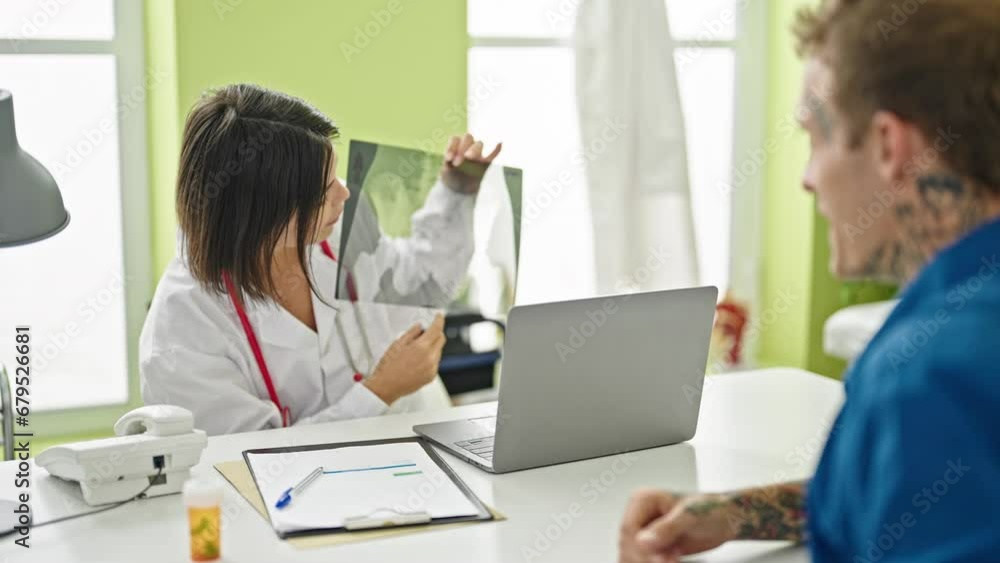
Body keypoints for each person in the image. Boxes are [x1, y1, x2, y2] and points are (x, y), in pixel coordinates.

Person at [618, 0, 1000, 561]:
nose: (807, 178)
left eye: (815, 138)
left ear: (888, 145)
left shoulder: (927, 378)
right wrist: (736, 512)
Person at [139, 84, 501, 435]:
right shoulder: (182, 331)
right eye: (321, 192)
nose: (344, 194)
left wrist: (456, 193)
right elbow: (243, 458)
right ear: (257, 215)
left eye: (335, 176)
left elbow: (419, 280)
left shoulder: (338, 224)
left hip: (418, 434)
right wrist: (381, 390)